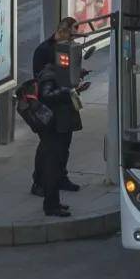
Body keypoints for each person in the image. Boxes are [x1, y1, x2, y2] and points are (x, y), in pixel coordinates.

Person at [30, 19, 85, 196]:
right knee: (48, 147)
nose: (72, 41)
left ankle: (61, 177)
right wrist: (64, 89)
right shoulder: (44, 51)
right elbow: (42, 82)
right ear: (62, 32)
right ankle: (39, 181)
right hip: (50, 108)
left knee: (64, 145)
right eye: (71, 35)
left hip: (65, 105)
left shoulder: (67, 49)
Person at [33, 57, 86, 217]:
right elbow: (47, 95)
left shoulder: (59, 74)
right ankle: (50, 205)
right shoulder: (50, 75)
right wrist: (68, 91)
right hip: (53, 128)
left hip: (60, 127)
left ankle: (54, 203)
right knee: (52, 167)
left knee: (57, 166)